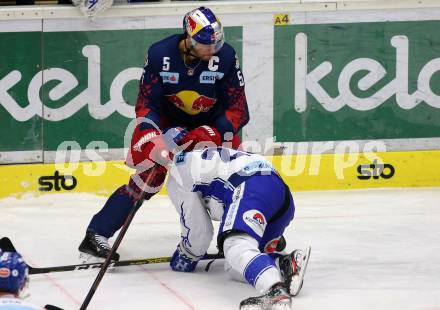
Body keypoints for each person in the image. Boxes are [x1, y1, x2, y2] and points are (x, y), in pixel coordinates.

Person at [78, 6, 249, 262]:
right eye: (205, 44)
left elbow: (238, 109)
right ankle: (96, 234)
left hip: (211, 127)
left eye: (215, 42)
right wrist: (155, 135)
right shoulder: (160, 54)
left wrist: (209, 132)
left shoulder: (226, 57)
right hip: (169, 126)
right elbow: (147, 104)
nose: (212, 49)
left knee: (231, 177)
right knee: (148, 178)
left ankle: (253, 236)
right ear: (189, 39)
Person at [166, 147, 311, 309]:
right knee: (235, 266)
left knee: (235, 245)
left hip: (251, 187)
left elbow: (199, 234)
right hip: (280, 193)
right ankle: (284, 264)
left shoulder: (176, 175)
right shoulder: (197, 156)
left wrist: (186, 256)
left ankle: (275, 291)